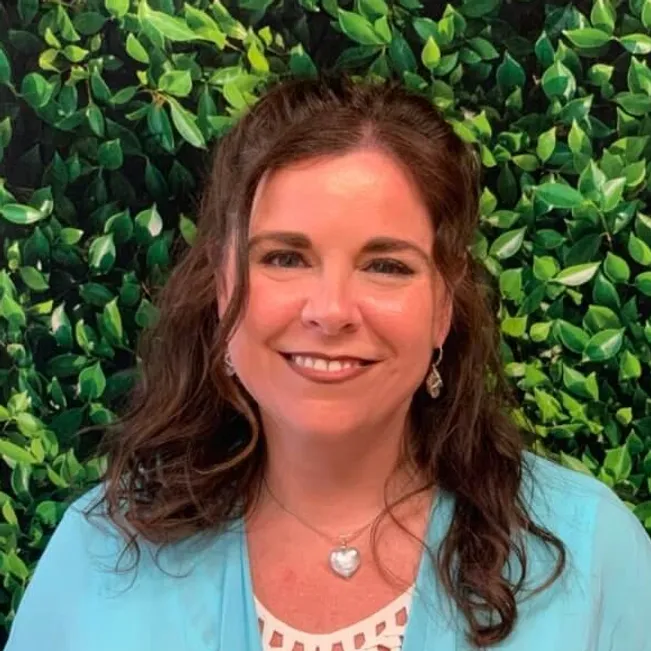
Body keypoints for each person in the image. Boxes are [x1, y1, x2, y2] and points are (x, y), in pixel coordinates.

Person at [5, 72, 651, 651]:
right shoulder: (103, 556)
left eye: (385, 265)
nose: (331, 309)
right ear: (226, 286)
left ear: (442, 305)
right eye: (284, 257)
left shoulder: (588, 558)